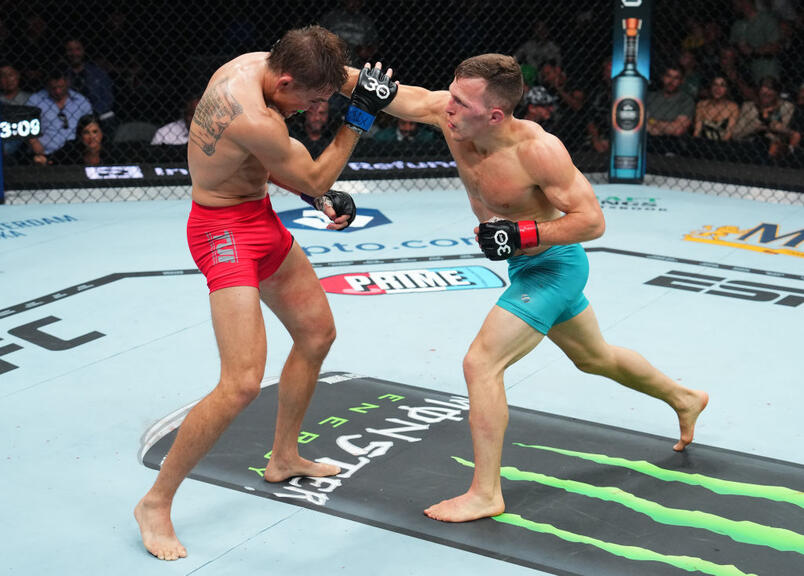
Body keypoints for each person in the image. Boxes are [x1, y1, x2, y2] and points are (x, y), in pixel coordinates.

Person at [378, 53, 708, 523]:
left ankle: (486, 492)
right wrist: (331, 76)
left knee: (481, 363)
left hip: (553, 267)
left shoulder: (538, 149)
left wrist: (522, 234)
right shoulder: (452, 115)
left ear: (493, 114)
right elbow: (401, 97)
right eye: (449, 93)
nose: (445, 106)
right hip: (526, 266)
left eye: (459, 101)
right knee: (596, 357)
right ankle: (685, 397)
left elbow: (592, 221)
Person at [134, 25, 397, 560]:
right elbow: (313, 168)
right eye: (314, 99)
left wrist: (312, 191)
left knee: (317, 334)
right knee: (241, 382)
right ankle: (155, 502)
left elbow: (272, 167)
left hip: (257, 215)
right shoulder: (253, 115)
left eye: (325, 99)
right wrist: (360, 118)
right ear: (285, 81)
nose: (317, 108)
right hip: (221, 232)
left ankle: (283, 457)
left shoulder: (260, 67)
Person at [25, 69, 93, 156]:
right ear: (47, 85)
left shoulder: (81, 101)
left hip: (76, 153)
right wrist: (36, 146)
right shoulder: (35, 101)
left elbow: (90, 126)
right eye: (53, 88)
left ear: (68, 83)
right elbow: (27, 126)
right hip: (45, 152)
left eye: (61, 87)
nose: (58, 91)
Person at [64, 38, 117, 134]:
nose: (74, 53)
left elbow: (107, 99)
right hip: (69, 115)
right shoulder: (61, 75)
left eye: (77, 49)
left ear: (83, 51)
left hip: (96, 115)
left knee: (109, 116)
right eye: (70, 50)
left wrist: (92, 113)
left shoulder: (98, 73)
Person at [48, 113, 114, 165]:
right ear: (80, 135)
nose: (91, 137)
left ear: (101, 133)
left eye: (95, 132)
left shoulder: (111, 151)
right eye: (86, 132)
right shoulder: (71, 149)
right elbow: (51, 159)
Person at [693, 76, 740, 141]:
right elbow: (697, 132)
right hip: (703, 144)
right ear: (711, 87)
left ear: (727, 89)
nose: (718, 89)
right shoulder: (701, 104)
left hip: (723, 146)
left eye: (722, 85)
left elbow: (728, 135)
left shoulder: (733, 107)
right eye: (715, 84)